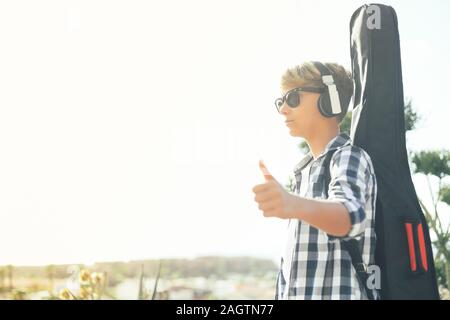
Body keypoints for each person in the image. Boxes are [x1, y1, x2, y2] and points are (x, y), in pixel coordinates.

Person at [252, 61, 378, 300]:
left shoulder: (348, 157)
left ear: (329, 100)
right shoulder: (303, 173)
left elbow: (351, 216)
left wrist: (292, 204)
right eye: (280, 102)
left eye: (293, 98)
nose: (283, 110)